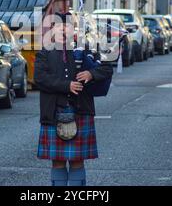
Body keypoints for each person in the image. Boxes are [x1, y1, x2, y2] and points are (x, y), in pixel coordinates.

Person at [34, 12, 113, 186]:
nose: (63, 29)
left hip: (81, 110)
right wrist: (66, 85)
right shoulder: (45, 52)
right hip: (54, 112)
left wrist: (91, 74)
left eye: (67, 26)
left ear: (72, 29)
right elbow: (39, 78)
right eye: (59, 26)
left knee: (77, 160)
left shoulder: (85, 49)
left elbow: (107, 68)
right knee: (58, 161)